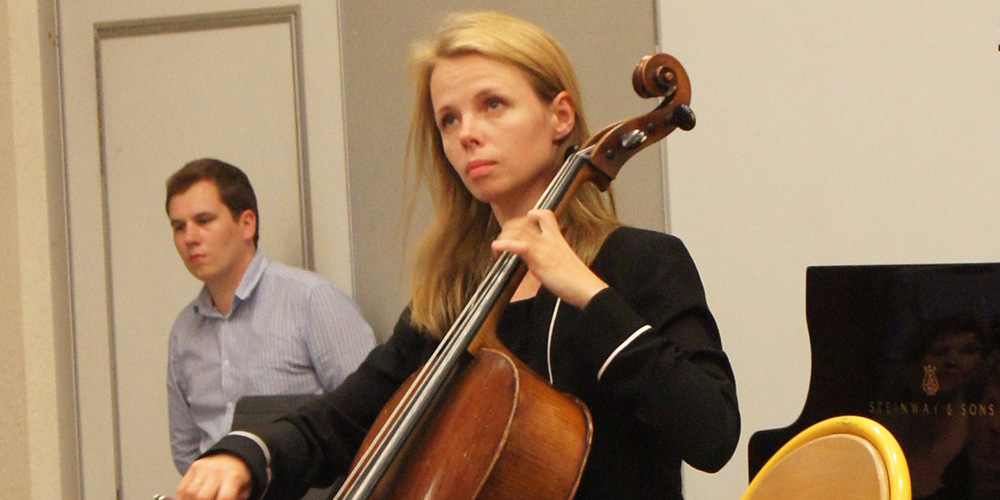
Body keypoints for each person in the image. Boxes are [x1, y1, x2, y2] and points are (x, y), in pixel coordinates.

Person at [172, 11, 740, 500]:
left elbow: (712, 433)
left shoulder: (640, 262)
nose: (467, 133)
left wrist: (586, 291)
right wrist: (243, 457)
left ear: (559, 116)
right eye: (450, 118)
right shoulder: (454, 297)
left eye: (492, 104)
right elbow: (341, 421)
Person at [165, 158, 377, 473]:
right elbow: (186, 452)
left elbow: (373, 417)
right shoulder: (184, 331)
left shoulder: (310, 300)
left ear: (247, 224)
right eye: (178, 226)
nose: (189, 238)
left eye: (204, 220)